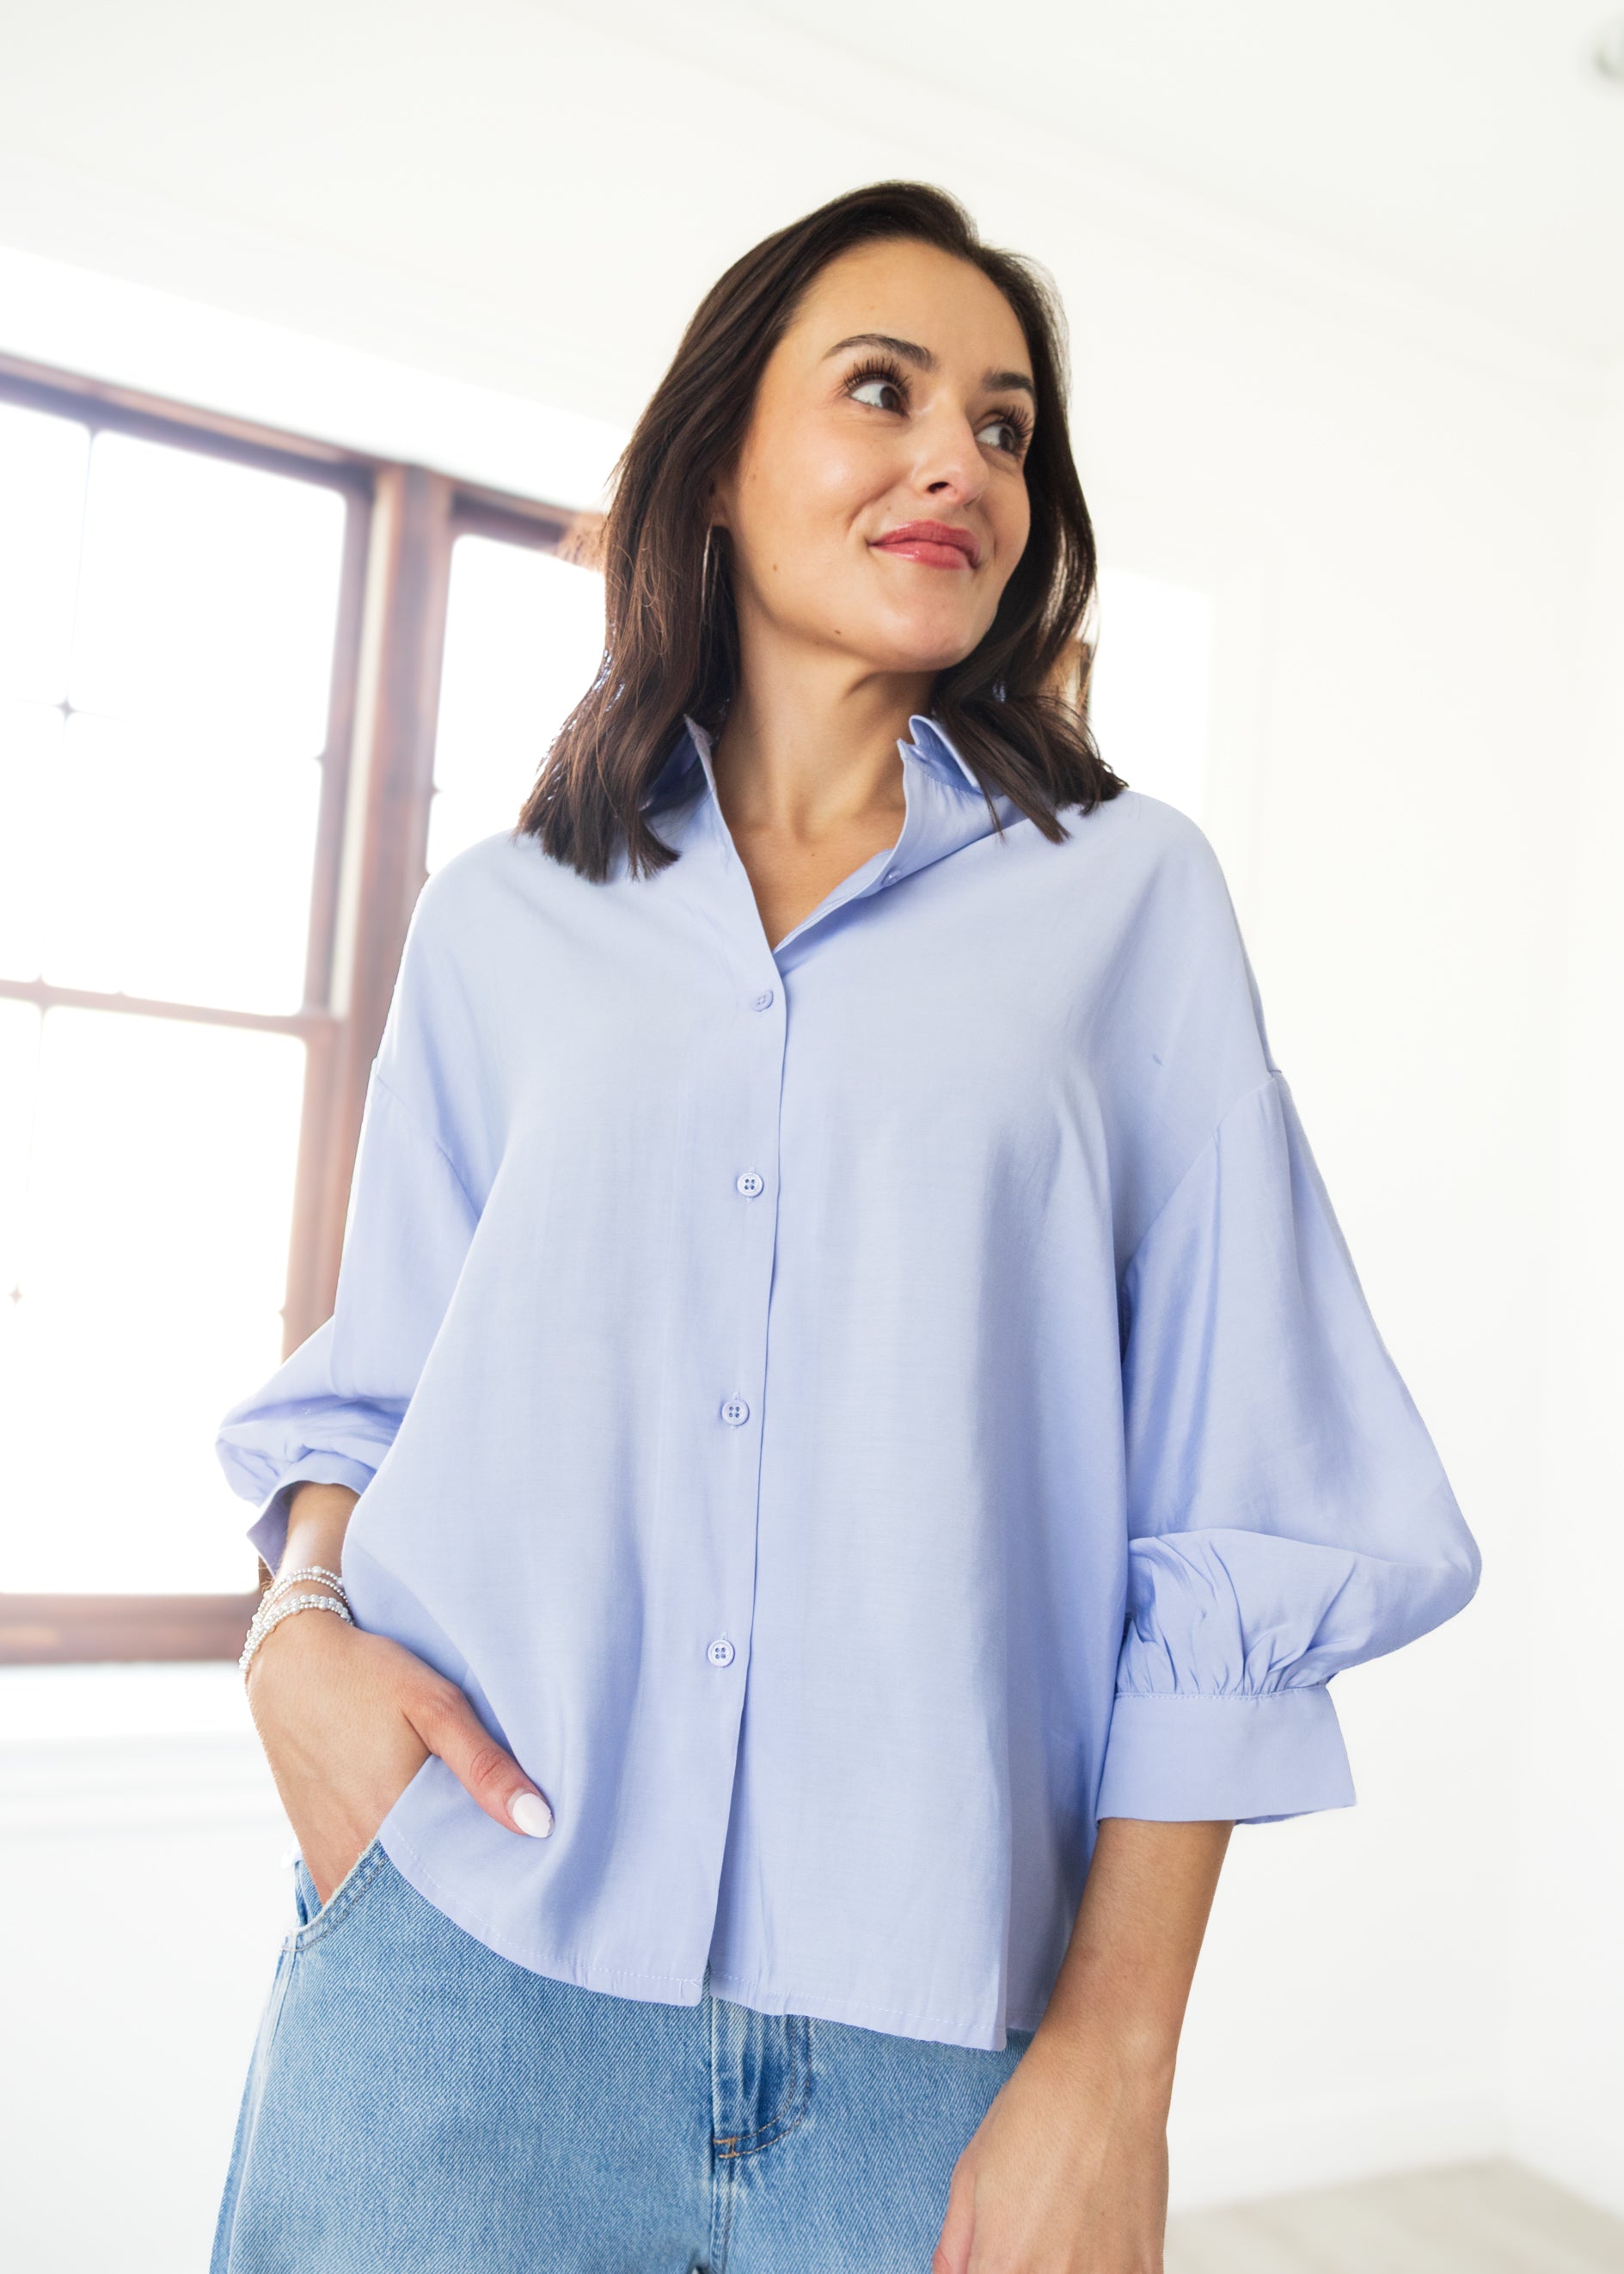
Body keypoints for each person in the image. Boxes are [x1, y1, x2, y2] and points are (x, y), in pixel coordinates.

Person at [210, 181, 1481, 2274]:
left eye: (1005, 427)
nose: (958, 460)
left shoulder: (1129, 904)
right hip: (463, 1964)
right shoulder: (505, 919)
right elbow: (382, 1387)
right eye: (882, 391)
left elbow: (1237, 1503)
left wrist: (1116, 2064)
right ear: (718, 463)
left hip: (930, 2050)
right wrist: (294, 1640)